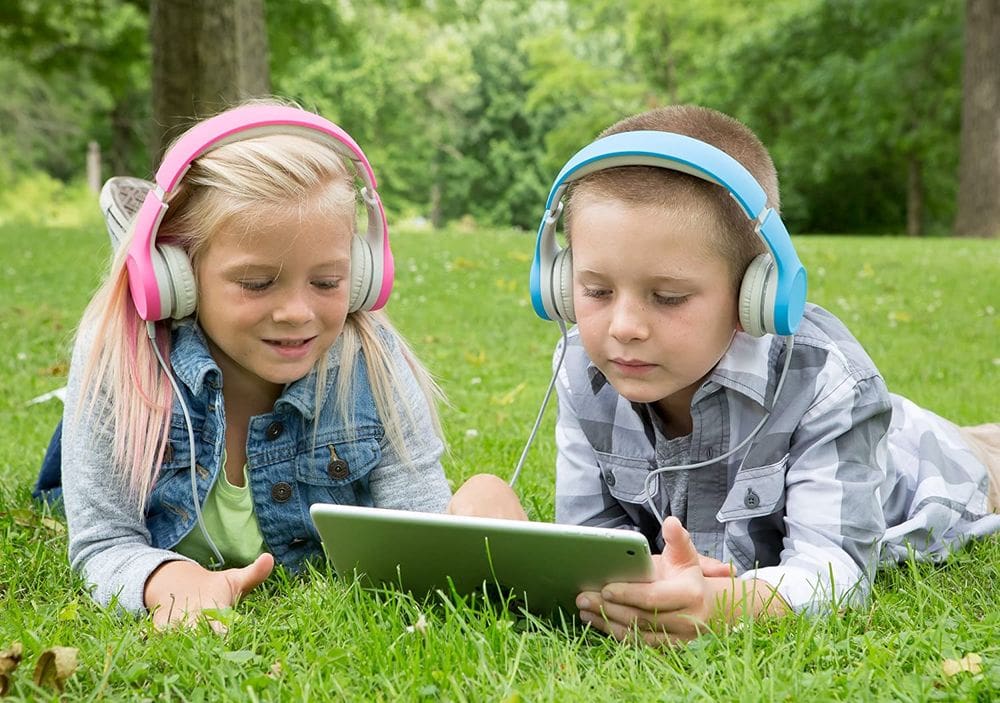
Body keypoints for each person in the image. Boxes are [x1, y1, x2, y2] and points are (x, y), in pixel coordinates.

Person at [450, 104, 1000, 646]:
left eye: (667, 297)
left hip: (925, 463)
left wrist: (723, 606)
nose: (623, 327)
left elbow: (835, 572)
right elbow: (594, 536)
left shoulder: (830, 385)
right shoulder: (579, 370)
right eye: (595, 290)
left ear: (756, 296)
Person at [47, 102, 452, 628]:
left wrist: (469, 527)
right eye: (257, 283)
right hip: (138, 407)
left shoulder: (370, 361)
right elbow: (104, 542)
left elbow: (418, 531)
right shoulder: (118, 362)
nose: (296, 313)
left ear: (362, 276)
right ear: (176, 276)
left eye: (328, 282)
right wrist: (167, 582)